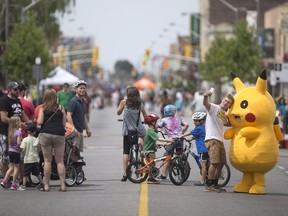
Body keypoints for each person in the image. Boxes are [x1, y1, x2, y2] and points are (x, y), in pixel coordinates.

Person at [203, 89, 234, 192]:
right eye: (225, 100)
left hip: (219, 140)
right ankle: (209, 184)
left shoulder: (224, 114)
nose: (226, 103)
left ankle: (215, 183)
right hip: (212, 138)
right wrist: (206, 96)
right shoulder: (214, 108)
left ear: (229, 106)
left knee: (221, 163)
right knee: (215, 163)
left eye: (228, 103)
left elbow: (228, 123)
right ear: (222, 100)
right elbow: (206, 104)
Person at [37, 89, 67, 192]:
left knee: (47, 161)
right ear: (55, 97)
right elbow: (64, 124)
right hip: (59, 134)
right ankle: (63, 185)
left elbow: (40, 122)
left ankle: (46, 186)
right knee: (60, 161)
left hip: (46, 134)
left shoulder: (43, 108)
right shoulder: (61, 108)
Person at [0, 81, 30, 180]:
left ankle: (22, 180)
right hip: (5, 132)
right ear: (9, 90)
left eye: (19, 89)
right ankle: (5, 180)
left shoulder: (17, 100)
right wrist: (18, 123)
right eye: (15, 89)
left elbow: (22, 113)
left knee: (19, 156)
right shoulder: (4, 101)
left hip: (16, 133)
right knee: (6, 158)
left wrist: (29, 123)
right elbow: (4, 118)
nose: (18, 91)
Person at [117, 86, 147, 182]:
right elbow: (145, 116)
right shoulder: (140, 104)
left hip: (128, 131)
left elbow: (118, 112)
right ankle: (142, 152)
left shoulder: (124, 103)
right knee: (142, 138)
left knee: (126, 152)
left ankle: (125, 173)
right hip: (138, 130)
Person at [157, 104, 189, 180]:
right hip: (180, 140)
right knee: (179, 155)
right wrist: (182, 132)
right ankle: (182, 170)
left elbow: (157, 127)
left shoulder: (164, 120)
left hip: (172, 140)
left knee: (167, 156)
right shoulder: (178, 119)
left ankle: (163, 174)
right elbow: (187, 125)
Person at [143, 113, 174, 184]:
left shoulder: (150, 131)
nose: (157, 124)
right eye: (156, 122)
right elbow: (159, 139)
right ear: (153, 123)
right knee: (151, 165)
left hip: (150, 150)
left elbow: (151, 141)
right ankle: (150, 179)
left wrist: (156, 146)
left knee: (152, 165)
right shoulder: (151, 131)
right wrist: (169, 140)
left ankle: (151, 178)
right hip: (149, 151)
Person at [181, 112, 208, 186]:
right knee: (206, 164)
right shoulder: (204, 127)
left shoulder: (199, 128)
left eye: (196, 121)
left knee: (203, 165)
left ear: (202, 121)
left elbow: (190, 132)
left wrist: (181, 136)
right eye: (194, 120)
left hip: (203, 149)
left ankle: (202, 181)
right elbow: (198, 135)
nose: (194, 122)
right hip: (207, 148)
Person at [67, 80, 92, 152]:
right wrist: (73, 129)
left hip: (80, 131)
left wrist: (87, 129)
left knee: (77, 153)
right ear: (76, 90)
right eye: (80, 88)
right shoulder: (73, 101)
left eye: (84, 88)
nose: (82, 90)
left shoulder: (83, 101)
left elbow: (83, 116)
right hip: (75, 132)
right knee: (73, 152)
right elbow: (68, 115)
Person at [19, 123, 44, 191]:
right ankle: (41, 183)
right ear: (35, 132)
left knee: (25, 173)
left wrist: (23, 154)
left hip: (28, 159)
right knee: (37, 172)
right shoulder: (36, 139)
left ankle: (24, 185)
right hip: (35, 159)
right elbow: (39, 148)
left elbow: (23, 149)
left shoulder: (25, 140)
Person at [1, 116, 22, 190]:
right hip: (16, 152)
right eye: (19, 121)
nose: (21, 123)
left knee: (11, 168)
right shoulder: (18, 132)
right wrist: (22, 144)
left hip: (10, 151)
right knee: (16, 168)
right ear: (16, 123)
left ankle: (4, 180)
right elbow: (18, 143)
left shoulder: (10, 132)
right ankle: (13, 184)